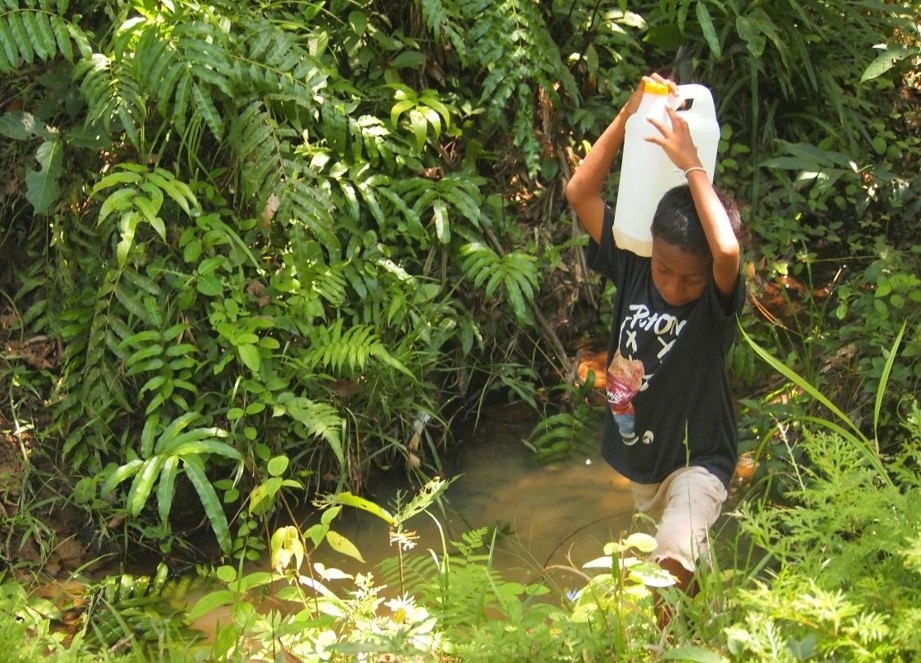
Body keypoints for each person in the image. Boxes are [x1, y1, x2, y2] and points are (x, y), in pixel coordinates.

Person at [564, 73, 745, 626]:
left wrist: (693, 165)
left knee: (671, 556)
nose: (673, 286)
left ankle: (659, 650)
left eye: (689, 279)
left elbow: (728, 251)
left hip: (699, 459)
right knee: (684, 566)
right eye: (666, 270)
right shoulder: (636, 263)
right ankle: (712, 623)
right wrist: (628, 117)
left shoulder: (713, 306)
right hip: (643, 458)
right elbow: (580, 194)